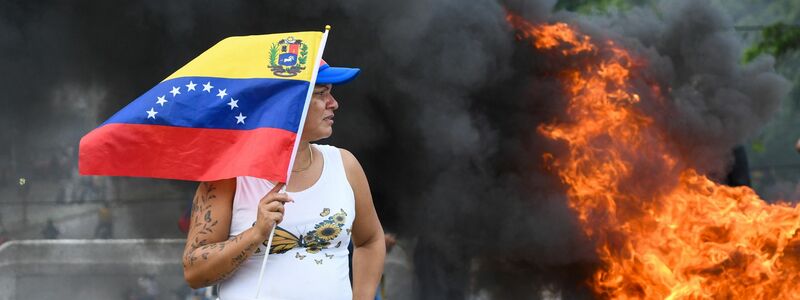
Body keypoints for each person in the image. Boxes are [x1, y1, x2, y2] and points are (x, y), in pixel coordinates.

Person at [182, 59, 385, 300]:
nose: (334, 104)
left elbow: (370, 240)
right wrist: (256, 233)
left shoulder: (345, 164)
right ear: (287, 103)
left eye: (330, 93)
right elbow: (194, 273)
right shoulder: (229, 176)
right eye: (321, 94)